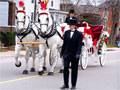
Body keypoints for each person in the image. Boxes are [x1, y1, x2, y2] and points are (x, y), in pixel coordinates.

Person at [60, 19, 83, 90]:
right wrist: (62, 52)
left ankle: (73, 85)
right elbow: (64, 44)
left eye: (71, 25)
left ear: (74, 26)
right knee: (66, 68)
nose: (70, 27)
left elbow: (79, 45)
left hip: (74, 55)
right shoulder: (66, 33)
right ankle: (65, 84)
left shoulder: (79, 34)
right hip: (66, 54)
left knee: (74, 70)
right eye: (69, 25)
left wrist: (78, 53)